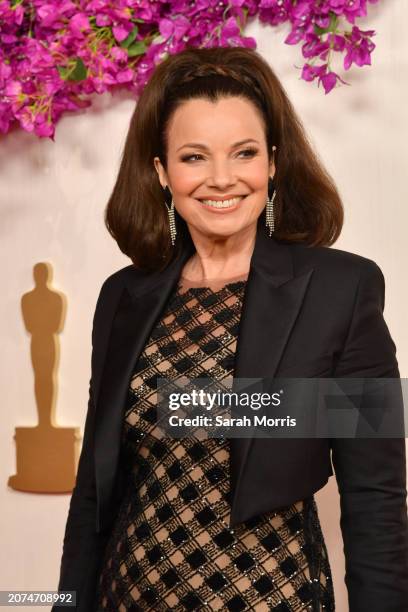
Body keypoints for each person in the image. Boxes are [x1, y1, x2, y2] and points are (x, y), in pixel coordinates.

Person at [53, 46, 408, 612]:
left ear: (271, 162)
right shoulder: (123, 296)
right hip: (126, 594)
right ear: (161, 172)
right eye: (194, 157)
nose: (222, 178)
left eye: (243, 153)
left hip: (271, 597)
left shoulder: (342, 290)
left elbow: (376, 500)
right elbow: (95, 491)